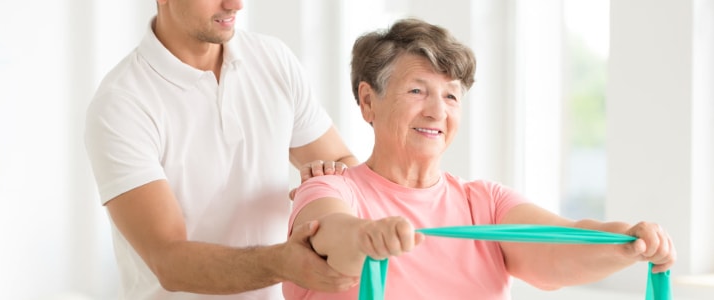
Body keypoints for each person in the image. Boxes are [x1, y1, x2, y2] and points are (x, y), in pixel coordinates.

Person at [283, 18, 676, 300]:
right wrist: (364, 237)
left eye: (451, 96)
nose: (438, 112)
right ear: (369, 101)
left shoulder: (484, 203)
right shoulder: (331, 186)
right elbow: (329, 236)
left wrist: (626, 242)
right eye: (418, 91)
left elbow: (559, 245)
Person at [83, 0, 359, 299]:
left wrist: (329, 200)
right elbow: (169, 260)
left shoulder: (273, 59)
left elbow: (343, 165)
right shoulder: (121, 103)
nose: (235, 5)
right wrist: (283, 263)